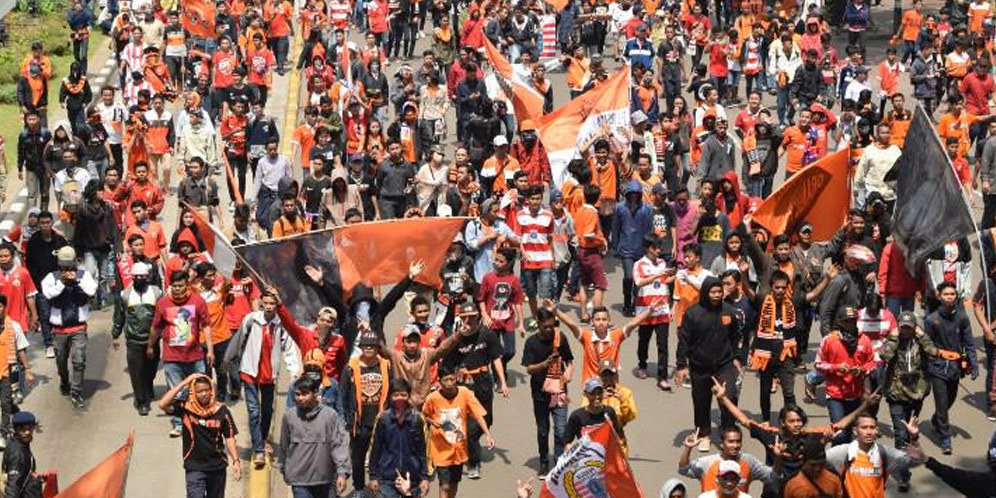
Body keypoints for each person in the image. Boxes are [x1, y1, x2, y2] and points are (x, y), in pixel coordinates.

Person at [225, 291, 301, 468]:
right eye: (265, 303)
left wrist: (294, 372)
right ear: (260, 302)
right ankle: (258, 450)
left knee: (267, 411)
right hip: (249, 372)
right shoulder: (251, 319)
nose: (268, 307)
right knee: (254, 412)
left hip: (269, 375)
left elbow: (288, 347)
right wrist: (228, 359)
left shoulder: (280, 323)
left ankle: (263, 438)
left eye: (271, 304)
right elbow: (238, 340)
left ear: (276, 305)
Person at [674, 277, 742, 451]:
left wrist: (736, 357)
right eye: (713, 292)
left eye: (719, 292)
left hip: (724, 365)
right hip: (700, 367)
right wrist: (682, 366)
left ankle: (728, 430)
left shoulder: (728, 311)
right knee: (701, 401)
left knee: (729, 395)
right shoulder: (692, 313)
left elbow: (736, 336)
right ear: (705, 292)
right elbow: (684, 341)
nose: (717, 295)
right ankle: (704, 434)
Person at [441, 302, 507, 480]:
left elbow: (496, 359)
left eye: (472, 316)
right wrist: (447, 382)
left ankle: (470, 442)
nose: (468, 320)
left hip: (483, 382)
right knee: (470, 427)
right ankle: (473, 462)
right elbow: (445, 364)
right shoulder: (456, 338)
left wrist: (503, 382)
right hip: (463, 385)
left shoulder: (487, 334)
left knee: (486, 419)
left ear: (478, 316)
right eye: (464, 317)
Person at [150, 270, 212, 437]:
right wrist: (150, 346)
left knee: (199, 391)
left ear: (187, 286)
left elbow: (206, 325)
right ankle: (179, 424)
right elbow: (156, 327)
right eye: (174, 286)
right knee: (177, 392)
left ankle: (199, 420)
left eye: (181, 286)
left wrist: (210, 351)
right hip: (172, 358)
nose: (177, 289)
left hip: (195, 356)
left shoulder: (198, 302)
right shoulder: (162, 304)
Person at [159, 374, 241, 498]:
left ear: (212, 390)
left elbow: (229, 438)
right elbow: (162, 404)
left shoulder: (222, 411)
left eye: (206, 390)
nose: (203, 394)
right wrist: (184, 383)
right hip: (194, 467)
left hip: (217, 467)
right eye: (199, 391)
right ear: (193, 392)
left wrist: (236, 461)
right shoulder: (186, 408)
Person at [423, 363, 495, 498]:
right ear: (439, 382)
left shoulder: (465, 393)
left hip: (459, 448)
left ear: (456, 378)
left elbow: (478, 414)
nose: (449, 383)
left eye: (452, 379)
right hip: (440, 449)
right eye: (445, 380)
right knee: (444, 485)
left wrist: (488, 434)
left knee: (454, 484)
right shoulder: (432, 398)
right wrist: (431, 421)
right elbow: (424, 415)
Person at [925, 280, 978, 455]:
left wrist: (974, 364)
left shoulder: (962, 317)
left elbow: (969, 342)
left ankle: (936, 419)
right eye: (946, 294)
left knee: (950, 399)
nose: (950, 297)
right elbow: (926, 345)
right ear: (939, 297)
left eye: (953, 294)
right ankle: (945, 438)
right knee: (941, 402)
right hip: (937, 368)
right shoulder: (932, 320)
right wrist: (927, 368)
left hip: (955, 368)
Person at [41, 245, 97, 409]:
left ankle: (76, 392)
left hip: (78, 328)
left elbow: (92, 290)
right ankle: (64, 381)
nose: (66, 269)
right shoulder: (51, 277)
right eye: (63, 266)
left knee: (79, 361)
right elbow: (49, 294)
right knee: (61, 360)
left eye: (69, 265)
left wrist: (76, 281)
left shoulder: (83, 275)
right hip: (59, 330)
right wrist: (63, 282)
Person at [521, 306, 574, 476]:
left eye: (553, 325)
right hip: (540, 394)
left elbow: (570, 361)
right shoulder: (531, 343)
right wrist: (545, 364)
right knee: (543, 430)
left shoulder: (561, 338)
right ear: (538, 324)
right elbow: (529, 369)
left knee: (561, 430)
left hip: (559, 392)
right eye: (546, 326)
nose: (550, 329)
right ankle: (544, 461)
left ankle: (558, 462)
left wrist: (568, 373)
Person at [277, 377, 350, 498]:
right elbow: (284, 445)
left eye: (305, 394)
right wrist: (283, 467)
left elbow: (339, 445)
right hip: (299, 481)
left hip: (326, 480)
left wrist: (342, 473)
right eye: (297, 394)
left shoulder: (330, 416)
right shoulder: (289, 417)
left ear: (316, 393)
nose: (300, 398)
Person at [339, 331, 393, 493]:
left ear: (378, 348)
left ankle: (380, 486)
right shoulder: (351, 367)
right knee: (358, 458)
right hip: (359, 422)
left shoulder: (386, 365)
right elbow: (343, 394)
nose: (369, 348)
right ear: (361, 347)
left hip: (381, 420)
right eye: (366, 345)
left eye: (373, 345)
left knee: (381, 457)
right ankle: (359, 489)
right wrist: (347, 419)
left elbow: (392, 391)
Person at [825, 412, 924, 496]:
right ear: (855, 431)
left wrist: (914, 437)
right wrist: (824, 441)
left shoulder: (885, 453)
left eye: (872, 427)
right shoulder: (843, 452)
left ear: (876, 430)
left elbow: (916, 461)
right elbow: (814, 459)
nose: (868, 432)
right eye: (864, 428)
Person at [111, 262, 162, 416]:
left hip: (152, 339)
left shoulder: (157, 292)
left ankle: (148, 386)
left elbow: (163, 314)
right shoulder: (125, 295)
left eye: (143, 276)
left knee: (151, 368)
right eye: (137, 276)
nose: (140, 278)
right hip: (133, 340)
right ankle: (141, 401)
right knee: (136, 371)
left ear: (148, 277)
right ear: (132, 277)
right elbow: (119, 316)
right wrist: (115, 335)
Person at [368, 379, 431, 498]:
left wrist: (425, 477)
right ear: (390, 396)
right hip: (387, 479)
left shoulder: (417, 419)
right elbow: (375, 449)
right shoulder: (383, 419)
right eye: (396, 395)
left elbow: (424, 450)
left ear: (409, 395)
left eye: (403, 395)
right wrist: (373, 476)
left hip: (413, 479)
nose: (400, 398)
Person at [679, 426, 770, 495]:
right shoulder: (708, 463)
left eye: (738, 441)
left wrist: (779, 458)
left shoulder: (749, 461)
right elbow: (684, 469)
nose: (735, 445)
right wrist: (688, 448)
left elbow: (771, 475)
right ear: (722, 444)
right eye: (731, 441)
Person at [564, 377, 625, 446]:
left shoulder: (609, 412)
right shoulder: (577, 416)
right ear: (585, 394)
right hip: (586, 455)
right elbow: (567, 441)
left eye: (599, 393)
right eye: (592, 393)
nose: (597, 397)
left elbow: (618, 434)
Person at [3, 412, 45, 498]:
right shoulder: (17, 454)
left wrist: (34, 478)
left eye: (30, 428)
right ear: (15, 429)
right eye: (22, 429)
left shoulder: (17, 442)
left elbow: (22, 473)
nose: (27, 432)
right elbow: (13, 485)